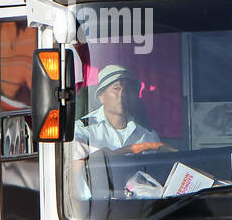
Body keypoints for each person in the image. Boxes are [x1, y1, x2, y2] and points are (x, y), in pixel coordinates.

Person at [69, 64, 164, 203]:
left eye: (129, 90)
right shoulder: (82, 130)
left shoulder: (147, 135)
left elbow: (154, 176)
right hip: (93, 210)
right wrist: (133, 149)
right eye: (116, 88)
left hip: (140, 209)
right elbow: (76, 170)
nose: (122, 95)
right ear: (101, 96)